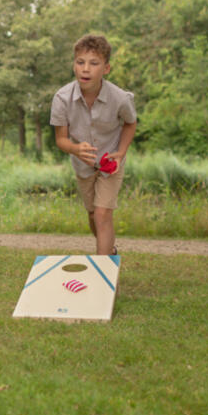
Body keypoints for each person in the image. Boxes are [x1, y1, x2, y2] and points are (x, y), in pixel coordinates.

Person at [50, 34, 138, 255]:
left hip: (111, 163)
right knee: (92, 215)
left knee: (102, 215)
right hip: (83, 165)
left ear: (106, 68)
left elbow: (130, 123)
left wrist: (121, 152)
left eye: (93, 63)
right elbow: (61, 140)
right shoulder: (61, 99)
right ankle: (108, 252)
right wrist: (75, 149)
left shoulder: (120, 98)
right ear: (74, 65)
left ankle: (104, 275)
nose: (85, 69)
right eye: (80, 62)